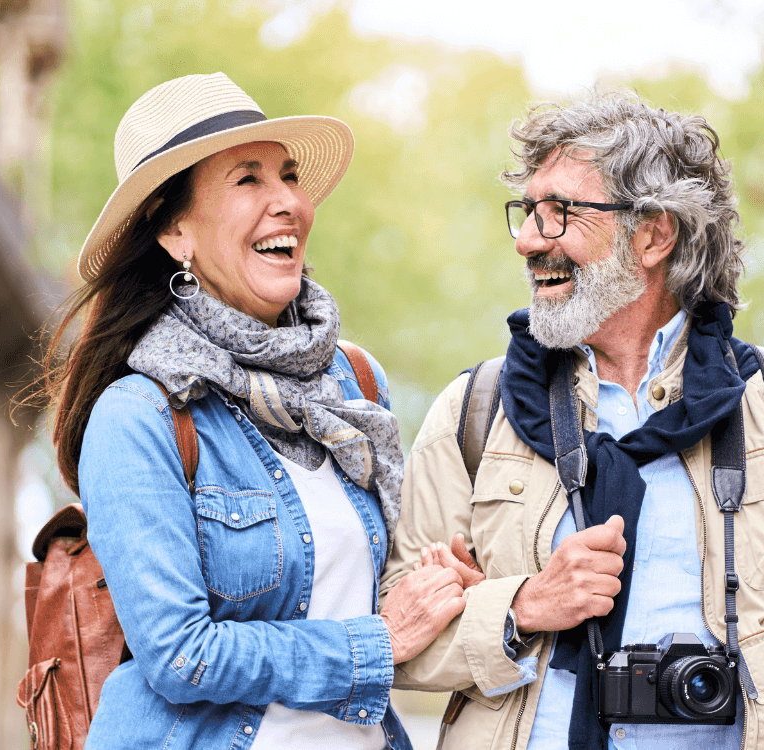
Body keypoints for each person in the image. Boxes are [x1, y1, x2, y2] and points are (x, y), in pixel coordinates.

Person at [382, 92, 764, 750]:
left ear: (654, 234)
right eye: (526, 213)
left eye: (559, 215)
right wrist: (522, 607)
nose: (526, 240)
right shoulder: (475, 411)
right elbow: (395, 641)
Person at [43, 73, 465, 750]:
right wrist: (376, 642)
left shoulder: (354, 381)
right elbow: (182, 655)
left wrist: (442, 581)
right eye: (248, 179)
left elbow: (381, 595)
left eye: (289, 176)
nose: (288, 203)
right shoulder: (138, 416)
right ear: (175, 230)